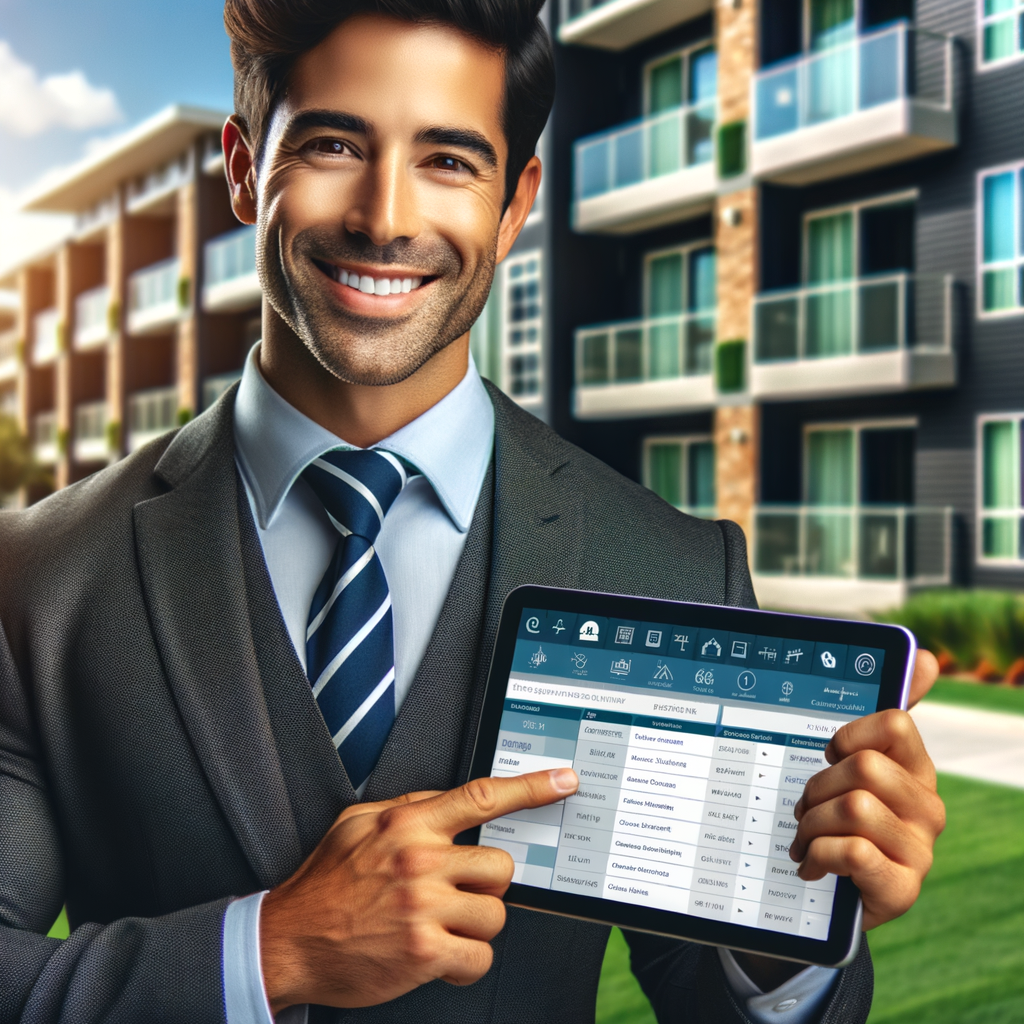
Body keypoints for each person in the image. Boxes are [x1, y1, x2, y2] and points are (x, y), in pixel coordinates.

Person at [0, 2, 945, 1023]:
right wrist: (262, 952)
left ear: (514, 202)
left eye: (448, 160)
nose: (386, 216)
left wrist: (794, 937)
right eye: (330, 144)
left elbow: (708, 998)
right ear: (240, 167)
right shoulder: (42, 575)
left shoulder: (670, 567)